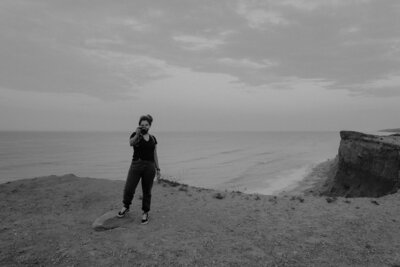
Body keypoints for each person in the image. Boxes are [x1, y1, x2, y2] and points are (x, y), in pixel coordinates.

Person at [117, 114, 161, 224]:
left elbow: (155, 154)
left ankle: (145, 212)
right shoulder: (136, 135)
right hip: (136, 165)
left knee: (147, 191)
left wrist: (158, 169)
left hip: (150, 167)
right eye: (142, 125)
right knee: (129, 188)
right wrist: (137, 134)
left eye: (146, 125)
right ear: (139, 126)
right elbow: (131, 143)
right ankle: (126, 206)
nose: (144, 126)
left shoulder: (153, 138)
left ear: (150, 126)